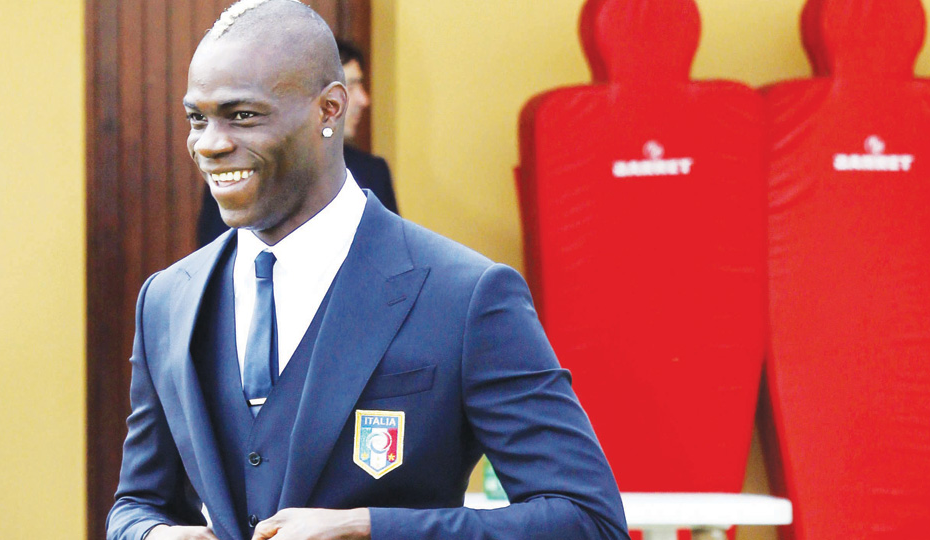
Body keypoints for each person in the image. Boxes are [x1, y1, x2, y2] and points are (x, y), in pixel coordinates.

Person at [107, 1, 629, 540]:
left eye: (243, 115)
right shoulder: (167, 300)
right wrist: (152, 535)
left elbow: (587, 520)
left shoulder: (465, 295)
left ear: (329, 110)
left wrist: (369, 528)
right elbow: (136, 504)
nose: (210, 143)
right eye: (197, 118)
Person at [196, 37, 398, 248]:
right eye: (352, 86)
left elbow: (390, 251)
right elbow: (218, 251)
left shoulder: (373, 172)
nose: (363, 100)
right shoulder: (237, 170)